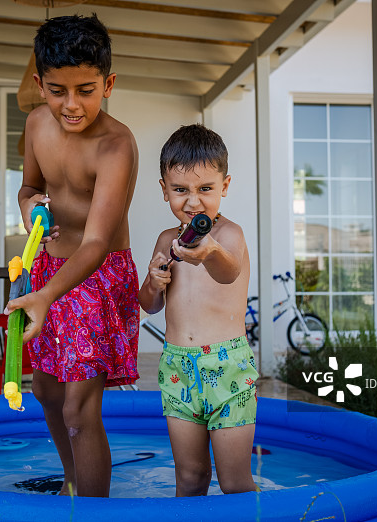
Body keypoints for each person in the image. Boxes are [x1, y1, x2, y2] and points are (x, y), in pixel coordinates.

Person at [4, 14, 139, 497]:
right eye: (58, 90)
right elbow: (29, 187)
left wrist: (44, 297)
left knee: (79, 409)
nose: (72, 104)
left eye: (86, 89)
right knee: (45, 392)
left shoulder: (115, 144)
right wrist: (26, 207)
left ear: (108, 84)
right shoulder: (36, 122)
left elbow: (98, 243)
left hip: (96, 275)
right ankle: (72, 482)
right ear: (39, 84)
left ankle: (95, 509)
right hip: (48, 270)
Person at [138, 124, 258, 496]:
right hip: (178, 367)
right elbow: (149, 306)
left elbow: (229, 272)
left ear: (225, 185)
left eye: (205, 189)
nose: (193, 202)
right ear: (164, 190)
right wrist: (153, 282)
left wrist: (210, 252)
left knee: (235, 482)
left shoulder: (229, 236)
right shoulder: (165, 240)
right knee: (189, 478)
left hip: (226, 367)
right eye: (180, 190)